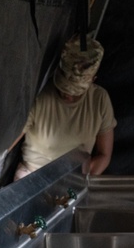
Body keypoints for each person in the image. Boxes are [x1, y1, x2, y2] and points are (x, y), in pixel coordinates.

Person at [13, 34, 117, 179]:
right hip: (32, 175)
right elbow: (9, 141)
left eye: (75, 93)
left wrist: (79, 183)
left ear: (93, 80)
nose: (68, 95)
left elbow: (104, 155)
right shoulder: (41, 95)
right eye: (64, 89)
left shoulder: (99, 99)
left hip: (74, 179)